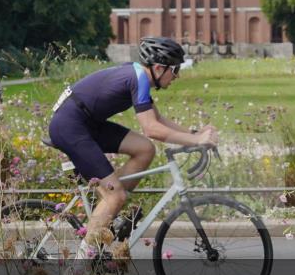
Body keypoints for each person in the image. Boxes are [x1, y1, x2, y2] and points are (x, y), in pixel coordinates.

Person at [48, 36, 217, 257]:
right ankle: (82, 264)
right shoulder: (138, 77)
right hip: (71, 126)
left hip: (86, 123)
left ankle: (112, 214)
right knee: (115, 196)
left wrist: (195, 133)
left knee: (144, 149)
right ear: (158, 67)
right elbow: (152, 129)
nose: (177, 75)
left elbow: (158, 119)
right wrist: (196, 142)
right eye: (175, 70)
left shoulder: (139, 75)